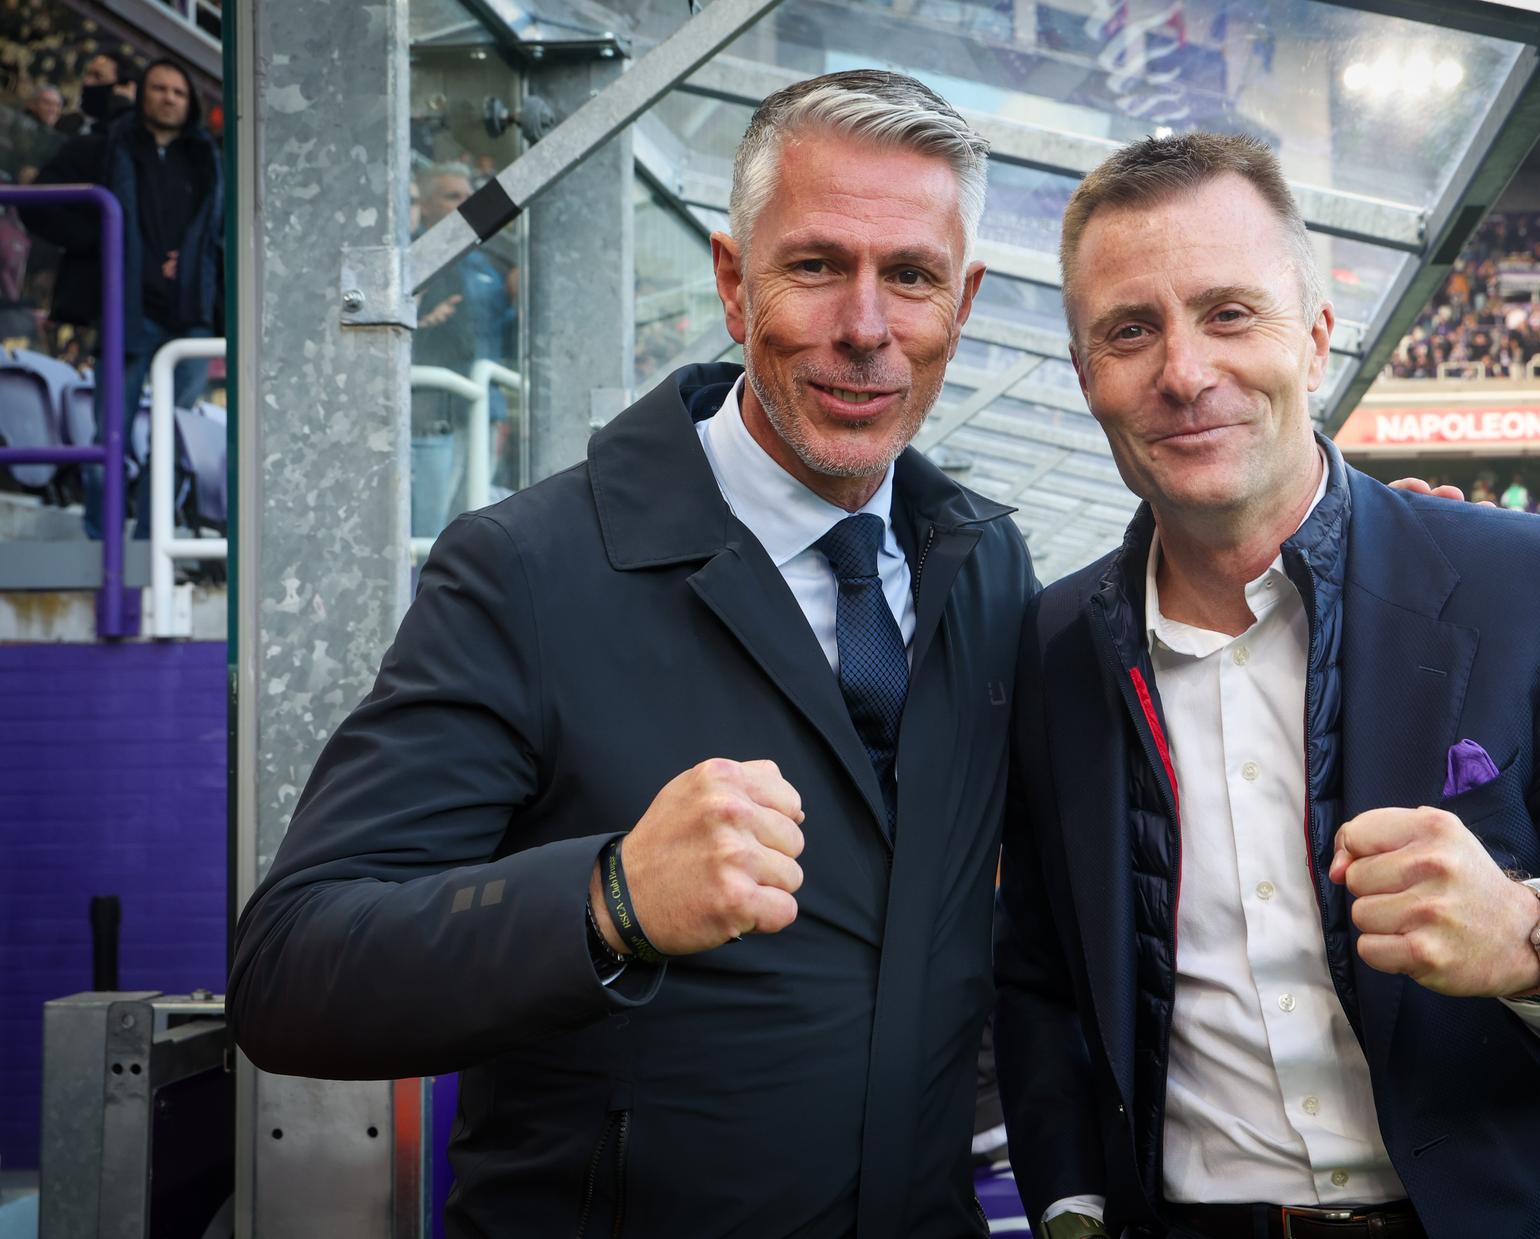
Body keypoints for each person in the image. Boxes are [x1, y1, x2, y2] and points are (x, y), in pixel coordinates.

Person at [229, 70, 1036, 1237]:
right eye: (815, 266)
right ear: (731, 281)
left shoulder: (988, 569)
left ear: (961, 301)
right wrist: (605, 902)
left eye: (909, 276)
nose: (865, 328)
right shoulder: (529, 572)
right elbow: (292, 974)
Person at [994, 133, 1540, 1239]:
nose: (1183, 370)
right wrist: (1070, 1201)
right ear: (1085, 375)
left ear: (1314, 335)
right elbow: (1041, 976)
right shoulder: (1051, 644)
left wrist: (1529, 941)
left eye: (1229, 312)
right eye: (1129, 330)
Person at [20, 58, 222, 540]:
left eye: (178, 91)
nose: (168, 98)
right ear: (141, 94)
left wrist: (194, 263)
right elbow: (35, 203)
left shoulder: (209, 159)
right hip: (125, 313)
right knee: (110, 433)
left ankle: (150, 543)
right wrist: (105, 241)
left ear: (189, 102)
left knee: (173, 437)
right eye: (159, 88)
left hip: (191, 316)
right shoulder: (105, 148)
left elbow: (222, 233)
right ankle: (102, 540)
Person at [409, 161, 516, 538]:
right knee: (429, 527)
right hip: (431, 409)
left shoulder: (490, 261)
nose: (464, 204)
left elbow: (506, 338)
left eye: (469, 196)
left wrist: (518, 300)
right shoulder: (413, 257)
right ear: (425, 204)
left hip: (483, 406)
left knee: (470, 523)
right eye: (452, 196)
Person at [57, 52, 138, 136]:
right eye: (88, 73)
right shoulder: (68, 122)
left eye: (98, 76)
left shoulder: (120, 134)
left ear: (121, 87)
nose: (87, 81)